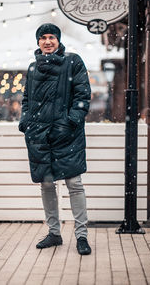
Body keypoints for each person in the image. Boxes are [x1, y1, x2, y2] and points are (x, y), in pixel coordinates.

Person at [18, 23, 91, 255]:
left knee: (74, 184)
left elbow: (83, 95)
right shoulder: (32, 68)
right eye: (43, 38)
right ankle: (54, 233)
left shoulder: (73, 61)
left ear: (58, 40)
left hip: (67, 134)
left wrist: (71, 121)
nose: (47, 41)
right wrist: (26, 121)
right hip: (40, 136)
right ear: (38, 42)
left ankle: (81, 236)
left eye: (52, 37)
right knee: (47, 184)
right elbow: (27, 99)